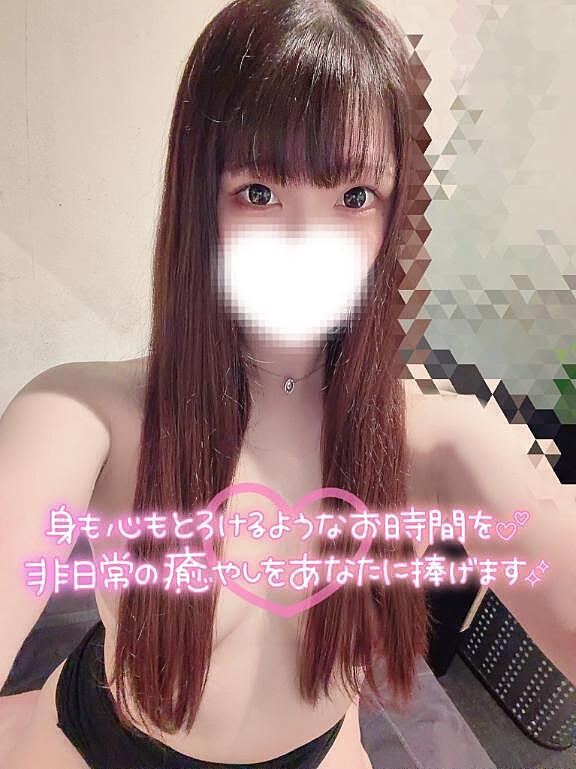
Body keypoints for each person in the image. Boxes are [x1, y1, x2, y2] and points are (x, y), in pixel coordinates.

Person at [3, 1, 575, 768]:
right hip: (103, 740)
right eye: (261, 192)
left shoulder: (437, 441)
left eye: (353, 197)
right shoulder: (81, 413)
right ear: (200, 199)